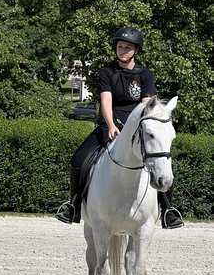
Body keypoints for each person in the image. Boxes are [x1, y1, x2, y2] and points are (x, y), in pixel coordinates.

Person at [56, 27, 184, 229]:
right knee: (79, 159)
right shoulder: (108, 72)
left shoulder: (145, 74)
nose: (123, 50)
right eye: (120, 46)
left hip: (137, 129)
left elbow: (147, 106)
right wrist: (110, 124)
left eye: (128, 47)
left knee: (160, 161)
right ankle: (73, 205)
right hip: (111, 124)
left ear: (136, 50)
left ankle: (168, 209)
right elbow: (106, 100)